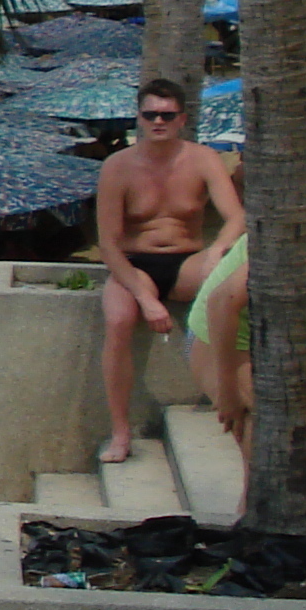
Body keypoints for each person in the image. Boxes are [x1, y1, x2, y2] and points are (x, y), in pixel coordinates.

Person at [186, 195, 306, 520]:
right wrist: (228, 389)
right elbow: (222, 302)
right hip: (225, 332)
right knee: (263, 433)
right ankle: (249, 531)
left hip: (284, 339)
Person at [92, 77, 245, 462]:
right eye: (150, 115)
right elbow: (108, 243)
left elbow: (236, 217)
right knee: (118, 322)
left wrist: (218, 251)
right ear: (139, 119)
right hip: (134, 264)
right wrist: (146, 298)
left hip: (188, 260)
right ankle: (121, 431)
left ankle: (232, 396)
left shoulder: (203, 159)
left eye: (167, 115)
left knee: (232, 292)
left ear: (182, 119)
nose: (158, 121)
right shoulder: (117, 166)